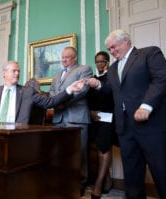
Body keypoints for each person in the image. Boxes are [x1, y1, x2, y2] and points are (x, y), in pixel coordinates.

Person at [85, 29, 166, 199]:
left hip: (153, 126)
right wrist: (98, 85)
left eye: (114, 47)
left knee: (164, 175)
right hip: (126, 128)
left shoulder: (149, 53)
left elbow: (161, 78)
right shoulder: (114, 68)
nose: (112, 52)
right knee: (132, 177)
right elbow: (115, 92)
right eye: (109, 49)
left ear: (126, 41)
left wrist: (146, 106)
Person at [0, 61, 86, 124]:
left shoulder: (28, 92)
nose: (17, 73)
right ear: (4, 73)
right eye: (14, 71)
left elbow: (51, 102)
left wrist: (69, 90)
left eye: (18, 71)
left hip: (17, 136)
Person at [49, 46, 93, 196]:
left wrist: (64, 102)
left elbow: (83, 90)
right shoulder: (56, 75)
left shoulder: (84, 69)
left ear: (74, 57)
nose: (63, 60)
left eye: (67, 57)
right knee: (60, 153)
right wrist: (56, 102)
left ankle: (80, 183)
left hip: (76, 117)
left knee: (79, 152)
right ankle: (63, 181)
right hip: (58, 118)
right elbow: (52, 92)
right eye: (62, 57)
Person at [87, 51, 116, 199]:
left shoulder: (112, 76)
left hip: (108, 118)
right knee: (95, 147)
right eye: (97, 61)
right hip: (94, 119)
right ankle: (108, 179)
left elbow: (113, 97)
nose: (99, 64)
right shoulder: (91, 79)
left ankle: (98, 184)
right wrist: (91, 112)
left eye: (102, 61)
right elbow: (88, 100)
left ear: (107, 62)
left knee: (103, 148)